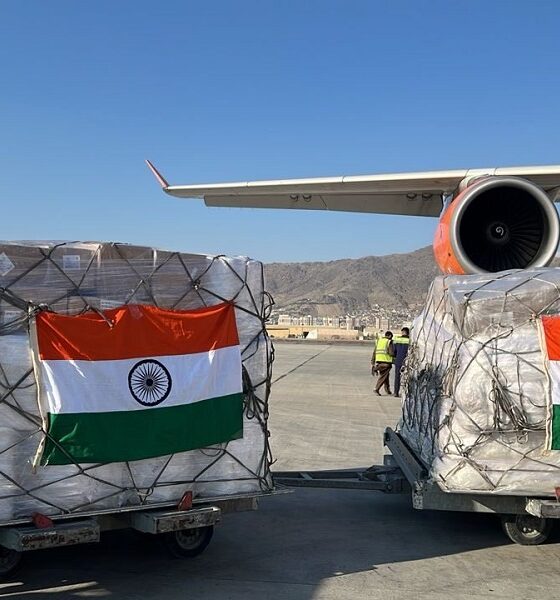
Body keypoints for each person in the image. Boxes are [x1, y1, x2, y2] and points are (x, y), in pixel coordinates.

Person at [372, 331, 394, 395]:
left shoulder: (379, 341)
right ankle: (376, 389)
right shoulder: (389, 342)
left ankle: (387, 390)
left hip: (379, 361)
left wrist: (372, 361)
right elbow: (391, 353)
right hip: (386, 362)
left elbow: (374, 352)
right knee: (383, 376)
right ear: (390, 336)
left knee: (386, 376)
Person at [392, 327, 410, 397]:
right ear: (408, 333)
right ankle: (406, 393)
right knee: (408, 377)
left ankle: (396, 392)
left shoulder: (397, 339)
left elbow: (394, 351)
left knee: (397, 377)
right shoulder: (410, 340)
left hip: (398, 361)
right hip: (407, 361)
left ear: (402, 332)